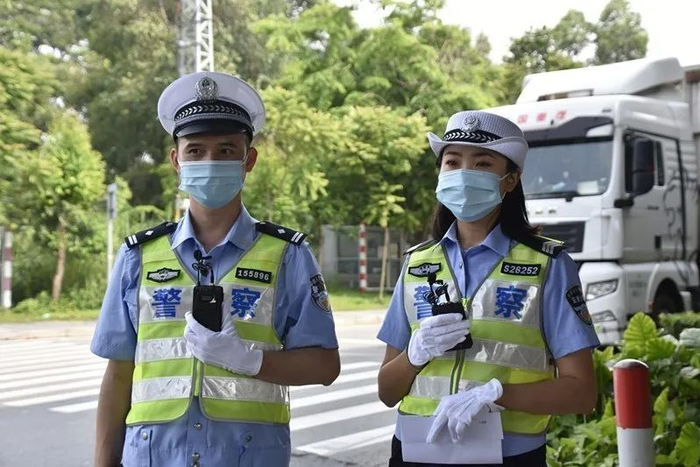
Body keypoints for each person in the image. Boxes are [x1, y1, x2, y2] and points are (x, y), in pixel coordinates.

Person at [91, 71, 340, 467]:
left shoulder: (288, 255)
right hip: (154, 456)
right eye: (195, 150)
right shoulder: (138, 256)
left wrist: (250, 360)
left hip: (248, 456)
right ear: (176, 160)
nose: (209, 162)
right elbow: (119, 374)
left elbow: (325, 365)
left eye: (226, 150)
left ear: (248, 160)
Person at [376, 111, 600, 467]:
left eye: (482, 164)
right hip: (414, 454)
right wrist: (413, 356)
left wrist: (497, 394)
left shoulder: (549, 266)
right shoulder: (416, 264)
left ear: (510, 180)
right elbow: (387, 392)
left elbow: (582, 393)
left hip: (509, 457)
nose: (464, 173)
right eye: (452, 162)